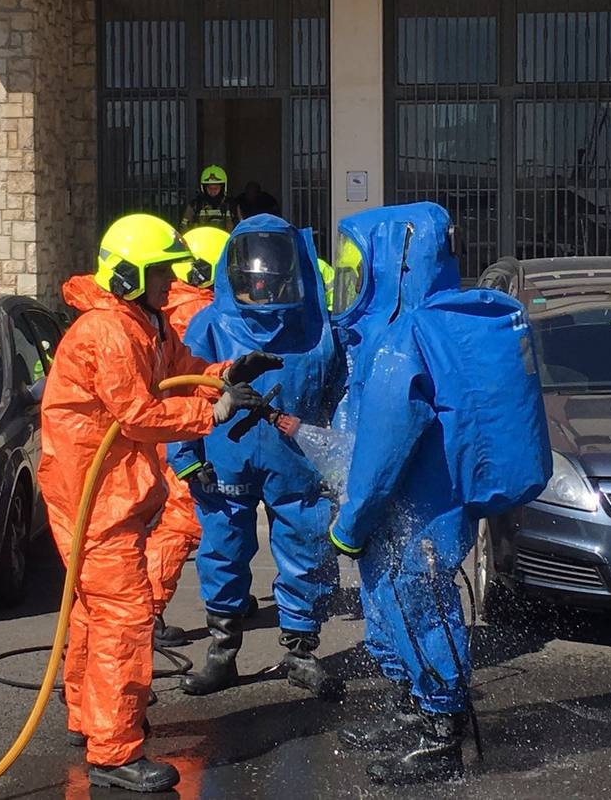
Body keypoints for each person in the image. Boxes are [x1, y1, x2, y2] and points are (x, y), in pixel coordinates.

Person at [38, 213, 280, 793]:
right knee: (123, 616)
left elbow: (178, 372)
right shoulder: (108, 332)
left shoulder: (140, 321)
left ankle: (90, 719)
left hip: (106, 490)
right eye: (161, 272)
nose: (171, 282)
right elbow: (140, 413)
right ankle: (115, 751)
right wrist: (211, 413)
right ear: (129, 275)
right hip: (92, 496)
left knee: (94, 612)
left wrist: (223, 374)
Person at [327, 202, 552, 785]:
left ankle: (440, 735)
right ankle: (412, 710)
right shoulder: (415, 326)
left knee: (419, 603)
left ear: (393, 260)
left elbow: (384, 442)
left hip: (416, 511)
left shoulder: (407, 336)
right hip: (415, 507)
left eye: (360, 262)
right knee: (398, 604)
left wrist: (350, 521)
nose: (351, 275)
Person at [170, 213, 343, 698]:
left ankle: (301, 652)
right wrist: (184, 459)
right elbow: (179, 392)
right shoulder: (209, 324)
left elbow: (340, 399)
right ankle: (222, 654)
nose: (263, 290)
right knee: (221, 552)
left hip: (297, 466)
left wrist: (332, 456)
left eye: (271, 281)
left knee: (307, 552)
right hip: (223, 464)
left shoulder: (318, 327)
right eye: (255, 280)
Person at [146, 225, 231, 648]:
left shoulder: (168, 309)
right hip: (181, 428)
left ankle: (228, 603)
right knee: (182, 521)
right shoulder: (198, 311)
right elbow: (193, 375)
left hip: (174, 427)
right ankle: (147, 613)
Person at [180, 164, 235, 231]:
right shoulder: (195, 205)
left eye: (216, 188)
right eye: (210, 188)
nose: (212, 191)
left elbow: (239, 230)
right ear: (204, 188)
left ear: (223, 188)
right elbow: (184, 228)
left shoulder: (231, 205)